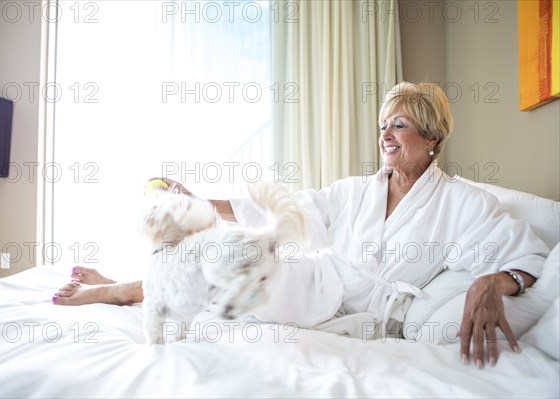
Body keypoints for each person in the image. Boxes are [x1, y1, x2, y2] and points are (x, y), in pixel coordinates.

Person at [53, 82, 549, 368]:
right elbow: (288, 209)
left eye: (398, 124)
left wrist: (495, 281)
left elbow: (528, 253)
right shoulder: (357, 189)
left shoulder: (463, 200)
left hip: (371, 310)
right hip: (320, 282)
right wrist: (200, 199)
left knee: (238, 275)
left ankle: (122, 290)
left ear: (433, 135)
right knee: (236, 258)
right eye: (383, 125)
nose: (386, 134)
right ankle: (124, 290)